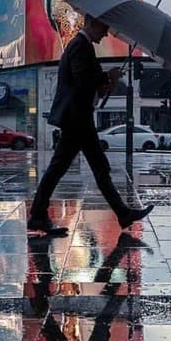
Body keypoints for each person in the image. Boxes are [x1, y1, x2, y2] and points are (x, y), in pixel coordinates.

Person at [28, 14, 153, 236]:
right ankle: (38, 215)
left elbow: (87, 84)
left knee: (94, 167)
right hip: (77, 119)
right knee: (69, 168)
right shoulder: (79, 46)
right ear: (92, 23)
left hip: (79, 118)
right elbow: (82, 81)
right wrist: (107, 78)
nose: (106, 33)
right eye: (104, 27)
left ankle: (122, 213)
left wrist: (106, 82)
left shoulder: (83, 46)